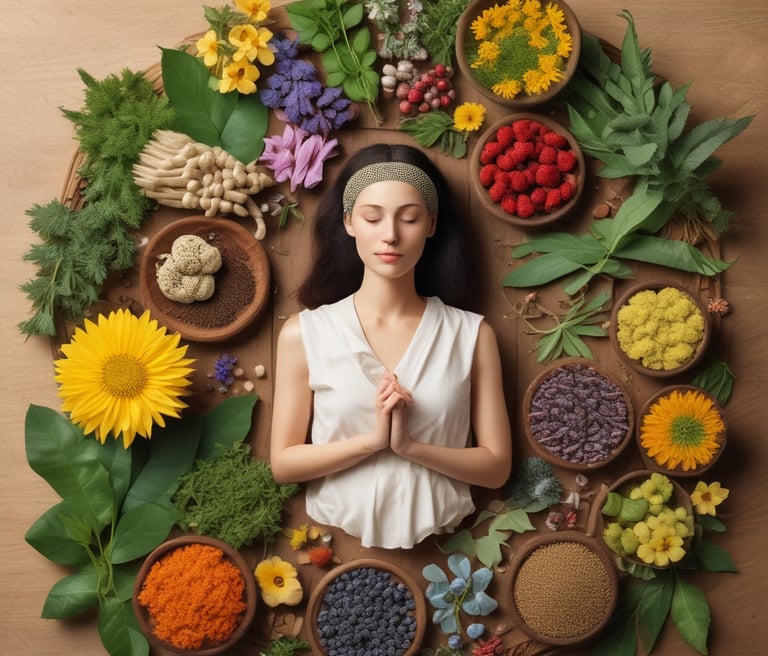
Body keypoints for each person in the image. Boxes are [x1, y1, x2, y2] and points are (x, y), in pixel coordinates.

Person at [270, 143, 512, 549]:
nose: (391, 235)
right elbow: (283, 464)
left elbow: (496, 468)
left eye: (410, 218)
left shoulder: (472, 335)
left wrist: (409, 447)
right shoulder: (304, 333)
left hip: (450, 542)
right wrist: (371, 442)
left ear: (431, 225)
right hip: (334, 543)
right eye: (372, 217)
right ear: (349, 222)